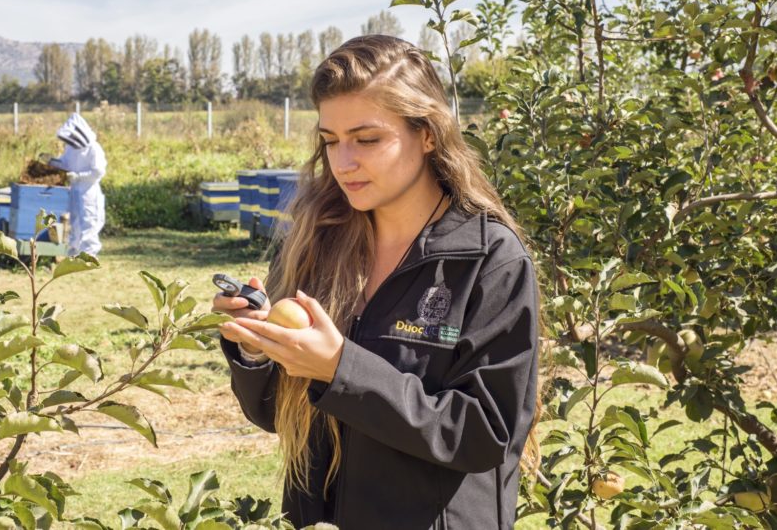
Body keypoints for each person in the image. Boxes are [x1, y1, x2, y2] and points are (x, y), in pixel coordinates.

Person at [213, 35, 541, 529]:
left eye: (367, 139)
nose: (343, 163)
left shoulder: (487, 259)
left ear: (427, 133)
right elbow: (279, 416)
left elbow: (483, 433)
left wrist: (341, 368)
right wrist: (260, 350)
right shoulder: (319, 241)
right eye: (330, 141)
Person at [44, 112, 106, 256]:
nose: (71, 140)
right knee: (74, 221)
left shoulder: (94, 148)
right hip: (74, 191)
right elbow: (65, 164)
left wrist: (78, 176)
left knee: (89, 222)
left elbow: (98, 172)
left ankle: (89, 255)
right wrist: (52, 161)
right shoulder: (71, 148)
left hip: (89, 191)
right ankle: (74, 252)